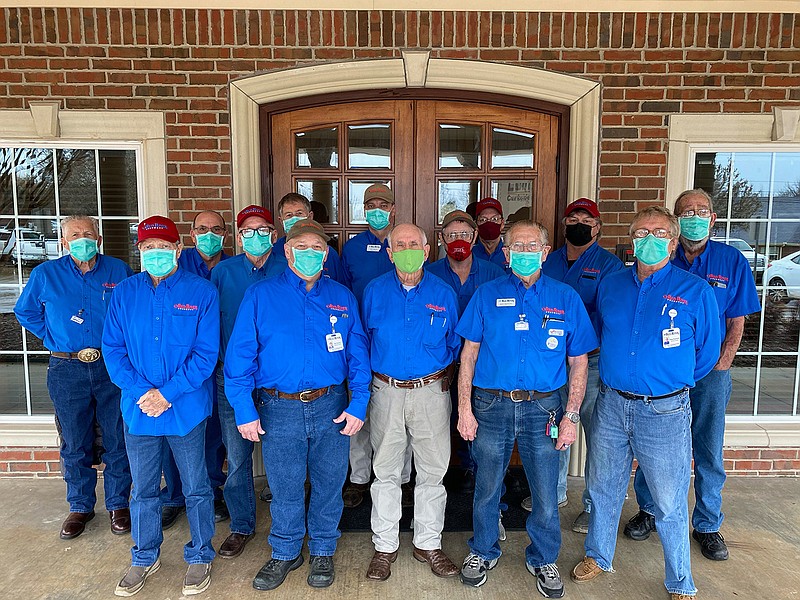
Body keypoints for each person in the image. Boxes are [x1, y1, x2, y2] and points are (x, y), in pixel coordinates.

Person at [571, 206, 721, 600]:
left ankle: (680, 581)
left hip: (665, 411)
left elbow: (705, 354)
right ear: (631, 241)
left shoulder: (696, 292)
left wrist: (669, 382)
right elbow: (602, 334)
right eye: (641, 234)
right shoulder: (612, 285)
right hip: (612, 404)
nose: (649, 241)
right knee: (603, 487)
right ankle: (598, 556)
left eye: (658, 234)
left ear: (673, 243)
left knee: (669, 499)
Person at [224, 219, 371, 591]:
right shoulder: (260, 295)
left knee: (328, 482)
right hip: (279, 407)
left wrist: (359, 404)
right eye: (301, 247)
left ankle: (323, 548)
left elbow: (357, 355)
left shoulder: (341, 296)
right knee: (285, 485)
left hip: (331, 405)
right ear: (286, 252)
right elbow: (239, 358)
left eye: (317, 249)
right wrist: (244, 409)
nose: (309, 254)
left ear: (326, 255)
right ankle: (286, 551)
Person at [457, 220, 597, 598]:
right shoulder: (486, 295)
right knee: (486, 486)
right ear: (505, 253)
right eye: (515, 246)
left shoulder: (566, 297)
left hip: (545, 409)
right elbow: (468, 355)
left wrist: (570, 416)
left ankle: (543, 556)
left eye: (531, 245)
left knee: (546, 491)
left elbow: (579, 362)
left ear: (545, 250)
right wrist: (464, 409)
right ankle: (483, 549)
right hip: (491, 405)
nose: (523, 252)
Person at [624, 190, 760, 561]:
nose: (695, 217)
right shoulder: (660, 258)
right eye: (687, 212)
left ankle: (708, 524)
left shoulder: (731, 260)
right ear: (676, 221)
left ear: (713, 218)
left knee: (707, 447)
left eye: (702, 211)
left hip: (710, 373)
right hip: (664, 374)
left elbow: (737, 317)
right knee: (653, 446)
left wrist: (726, 358)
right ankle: (649, 510)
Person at [103, 216, 219, 597]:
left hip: (185, 408)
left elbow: (205, 355)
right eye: (149, 248)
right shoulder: (123, 293)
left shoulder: (201, 292)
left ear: (178, 250)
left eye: (163, 247)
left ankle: (200, 553)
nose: (156, 254)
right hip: (139, 411)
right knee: (144, 490)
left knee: (197, 486)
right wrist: (144, 393)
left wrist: (167, 393)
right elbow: (113, 351)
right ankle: (144, 555)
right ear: (139, 251)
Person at [14, 215, 133, 540]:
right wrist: (52, 335)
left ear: (98, 237)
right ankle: (80, 506)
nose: (83, 239)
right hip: (67, 369)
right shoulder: (45, 274)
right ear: (64, 242)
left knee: (116, 436)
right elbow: (24, 311)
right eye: (75, 235)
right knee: (74, 439)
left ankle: (118, 504)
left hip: (111, 365)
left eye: (88, 234)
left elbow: (130, 311)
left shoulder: (117, 271)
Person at [362, 223, 461, 581]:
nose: (406, 249)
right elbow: (362, 343)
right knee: (385, 471)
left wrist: (435, 377)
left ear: (427, 249)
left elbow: (454, 344)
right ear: (389, 252)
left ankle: (428, 543)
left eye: (413, 244)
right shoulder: (373, 292)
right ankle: (385, 546)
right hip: (385, 391)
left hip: (431, 392)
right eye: (399, 245)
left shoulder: (444, 292)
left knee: (433, 471)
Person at [524, 198, 623, 533]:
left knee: (597, 435)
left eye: (586, 219)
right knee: (554, 428)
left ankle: (595, 506)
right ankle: (554, 492)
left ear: (597, 227)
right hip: (549, 364)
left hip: (590, 363)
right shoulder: (547, 261)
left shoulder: (610, 266)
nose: (579, 223)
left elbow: (610, 315)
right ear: (563, 225)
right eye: (572, 218)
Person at [210, 205, 283, 559]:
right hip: (232, 381)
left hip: (277, 383)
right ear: (238, 237)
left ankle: (289, 525)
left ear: (273, 233)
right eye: (248, 230)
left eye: (263, 228)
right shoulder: (222, 273)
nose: (256, 235)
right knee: (237, 459)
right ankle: (241, 525)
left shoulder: (290, 268)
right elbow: (209, 328)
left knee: (284, 457)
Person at [340, 183, 413, 509]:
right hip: (357, 343)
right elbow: (341, 293)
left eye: (383, 203)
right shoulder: (351, 248)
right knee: (360, 414)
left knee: (401, 417)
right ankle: (358, 477)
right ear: (363, 208)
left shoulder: (405, 244)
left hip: (398, 346)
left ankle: (402, 478)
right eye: (371, 204)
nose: (377, 208)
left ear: (394, 208)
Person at [425, 210, 504, 491]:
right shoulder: (429, 273)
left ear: (474, 238)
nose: (458, 240)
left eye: (464, 234)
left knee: (479, 419)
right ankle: (445, 473)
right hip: (441, 360)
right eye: (451, 235)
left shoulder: (494, 274)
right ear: (442, 240)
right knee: (440, 420)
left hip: (482, 361)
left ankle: (475, 472)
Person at [162, 210, 230, 529]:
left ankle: (212, 489)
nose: (209, 234)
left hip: (216, 365)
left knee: (213, 433)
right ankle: (174, 496)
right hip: (179, 370)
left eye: (216, 229)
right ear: (191, 235)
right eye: (202, 229)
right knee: (175, 431)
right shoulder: (176, 266)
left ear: (225, 235)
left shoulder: (231, 268)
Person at [269, 193, 346, 283]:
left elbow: (338, 286)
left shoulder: (328, 253)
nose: (294, 218)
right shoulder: (273, 251)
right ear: (281, 221)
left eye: (299, 213)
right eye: (289, 215)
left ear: (310, 216)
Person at [472, 197, 509, 271]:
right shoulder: (470, 255)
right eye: (483, 219)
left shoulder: (511, 254)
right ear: (476, 225)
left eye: (494, 219)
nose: (489, 223)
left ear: (502, 224)